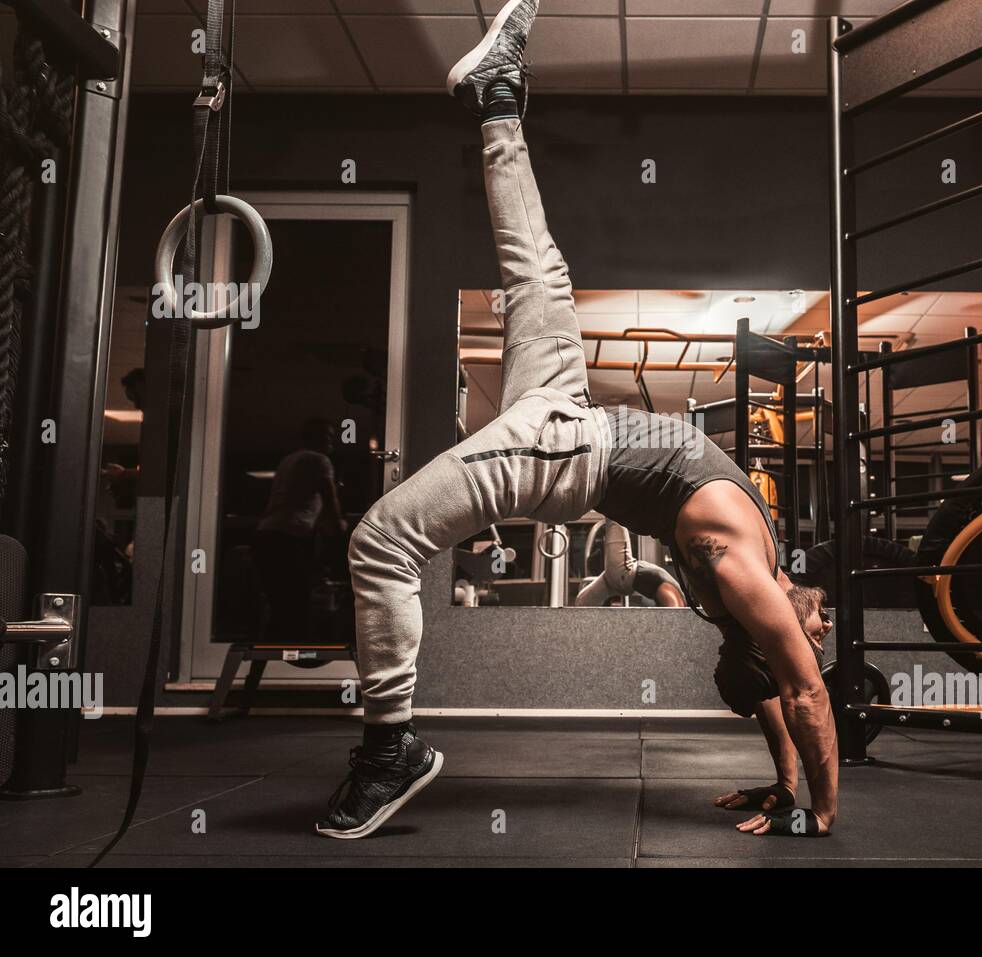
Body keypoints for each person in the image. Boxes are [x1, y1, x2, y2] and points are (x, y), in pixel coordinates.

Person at [317, 0, 838, 841]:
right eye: (818, 624)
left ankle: (389, 750)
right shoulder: (758, 583)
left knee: (381, 540)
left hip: (565, 450)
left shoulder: (749, 585)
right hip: (567, 409)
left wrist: (822, 812)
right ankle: (496, 98)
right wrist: (785, 788)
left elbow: (803, 690)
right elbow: (784, 693)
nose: (817, 627)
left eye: (814, 631)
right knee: (537, 267)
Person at [254, 418, 348, 645]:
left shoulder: (289, 460)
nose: (331, 442)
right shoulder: (319, 460)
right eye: (326, 437)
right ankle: (299, 658)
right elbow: (329, 498)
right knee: (298, 602)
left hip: (266, 534)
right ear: (311, 438)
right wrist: (339, 529)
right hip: (289, 538)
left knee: (280, 603)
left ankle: (266, 663)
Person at [575, 521, 685, 607]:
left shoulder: (679, 602)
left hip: (623, 580)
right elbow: (672, 614)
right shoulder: (676, 601)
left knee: (581, 605)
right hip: (626, 571)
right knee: (582, 602)